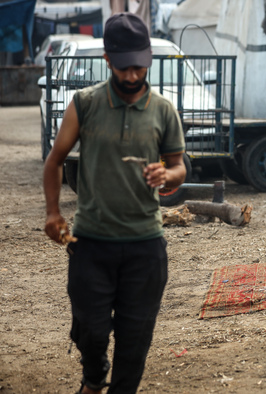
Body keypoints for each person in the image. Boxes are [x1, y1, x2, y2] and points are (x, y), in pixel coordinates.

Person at [43, 13, 186, 394]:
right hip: (91, 242)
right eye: (124, 67)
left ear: (149, 59)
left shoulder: (162, 110)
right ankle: (94, 374)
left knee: (134, 337)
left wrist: (165, 176)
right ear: (108, 60)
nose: (132, 75)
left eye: (139, 66)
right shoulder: (85, 104)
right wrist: (53, 213)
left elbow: (179, 167)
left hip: (145, 245)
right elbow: (55, 161)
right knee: (89, 329)